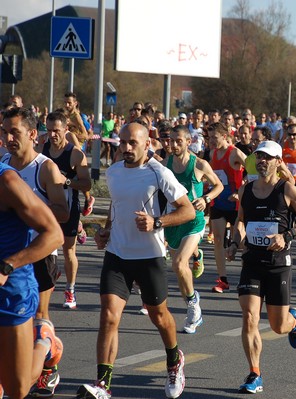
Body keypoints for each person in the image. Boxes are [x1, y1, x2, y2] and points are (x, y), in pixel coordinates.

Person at [77, 122, 195, 399]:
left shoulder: (159, 172)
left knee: (159, 316)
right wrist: (106, 230)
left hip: (149, 256)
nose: (127, 148)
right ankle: (103, 384)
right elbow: (118, 207)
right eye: (123, 142)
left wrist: (158, 222)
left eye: (132, 143)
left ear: (146, 144)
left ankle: (174, 360)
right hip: (117, 254)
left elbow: (188, 211)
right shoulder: (115, 171)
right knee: (108, 316)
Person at [225, 141, 296, 394]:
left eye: (267, 157)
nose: (262, 161)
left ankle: (293, 321)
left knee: (277, 326)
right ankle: (255, 373)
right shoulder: (246, 190)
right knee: (249, 316)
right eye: (259, 157)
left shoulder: (287, 190)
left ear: (278, 162)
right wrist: (234, 243)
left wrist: (287, 235)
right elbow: (240, 222)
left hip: (278, 265)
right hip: (252, 262)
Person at [1, 107, 69, 397]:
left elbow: (55, 230)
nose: (7, 138)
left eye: (13, 132)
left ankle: (45, 343)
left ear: (31, 135)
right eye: (4, 132)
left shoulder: (12, 179)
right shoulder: (6, 162)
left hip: (15, 280)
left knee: (17, 388)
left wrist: (7, 266)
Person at [163, 125, 224, 334]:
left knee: (180, 264)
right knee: (179, 270)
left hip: (194, 220)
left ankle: (193, 306)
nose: (173, 144)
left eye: (178, 140)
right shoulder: (166, 164)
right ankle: (197, 256)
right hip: (174, 220)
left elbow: (219, 186)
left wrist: (205, 198)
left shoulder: (199, 164)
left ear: (188, 142)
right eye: (171, 140)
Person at [42, 111, 92, 310]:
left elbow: (87, 184)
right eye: (49, 130)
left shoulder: (75, 154)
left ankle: (70, 289)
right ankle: (50, 276)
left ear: (65, 130)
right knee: (45, 246)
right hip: (47, 207)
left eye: (56, 131)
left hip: (69, 206)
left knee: (68, 250)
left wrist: (67, 181)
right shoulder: (41, 148)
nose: (52, 135)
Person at [208, 122, 246, 293]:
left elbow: (252, 172)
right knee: (217, 239)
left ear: (224, 136)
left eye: (214, 137)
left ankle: (247, 278)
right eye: (209, 138)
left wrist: (240, 192)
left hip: (236, 205)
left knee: (243, 243)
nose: (211, 141)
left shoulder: (235, 153)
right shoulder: (213, 153)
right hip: (219, 203)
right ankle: (222, 280)